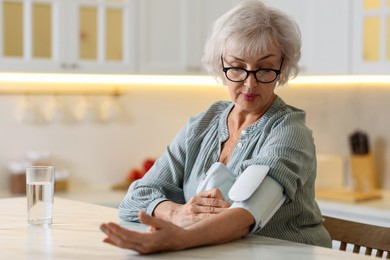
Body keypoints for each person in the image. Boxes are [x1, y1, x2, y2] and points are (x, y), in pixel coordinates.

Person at [100, 0, 332, 254]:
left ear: (282, 67)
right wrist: (178, 213)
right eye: (237, 67)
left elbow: (245, 216)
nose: (249, 83)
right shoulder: (202, 124)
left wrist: (174, 239)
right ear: (221, 65)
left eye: (264, 69)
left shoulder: (289, 131)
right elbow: (135, 198)